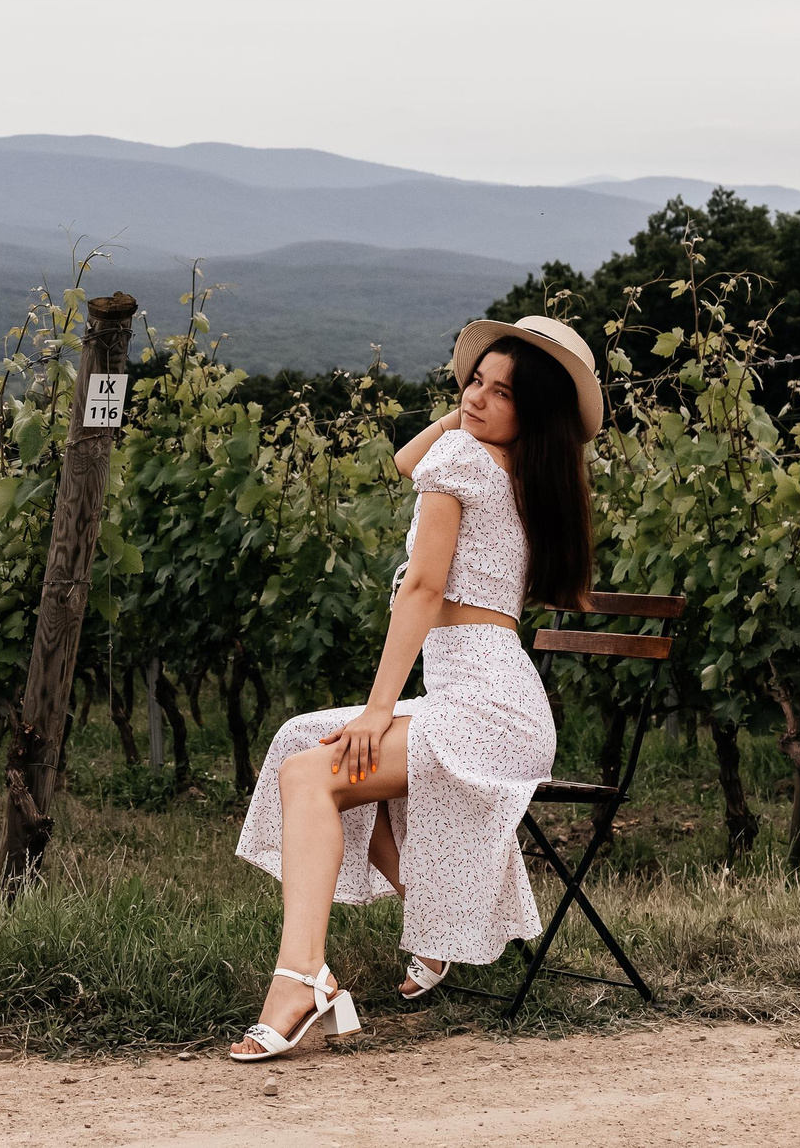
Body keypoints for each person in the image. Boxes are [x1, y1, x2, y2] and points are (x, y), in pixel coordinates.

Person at [227, 315, 602, 1061]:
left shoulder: (465, 460)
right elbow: (407, 462)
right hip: (496, 700)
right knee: (305, 742)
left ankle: (301, 979)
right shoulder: (519, 469)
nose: (476, 398)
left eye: (502, 393)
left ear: (535, 413)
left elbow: (424, 590)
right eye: (474, 382)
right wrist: (472, 411)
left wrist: (377, 709)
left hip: (485, 705)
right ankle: (425, 933)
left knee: (312, 773)